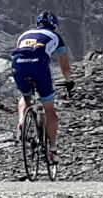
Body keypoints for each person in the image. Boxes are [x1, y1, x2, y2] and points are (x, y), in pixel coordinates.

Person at [11, 10, 73, 163]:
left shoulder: (24, 35)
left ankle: (20, 122)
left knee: (25, 96)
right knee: (50, 110)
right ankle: (52, 150)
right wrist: (68, 81)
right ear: (54, 25)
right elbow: (64, 65)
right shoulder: (55, 37)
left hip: (18, 65)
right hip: (39, 67)